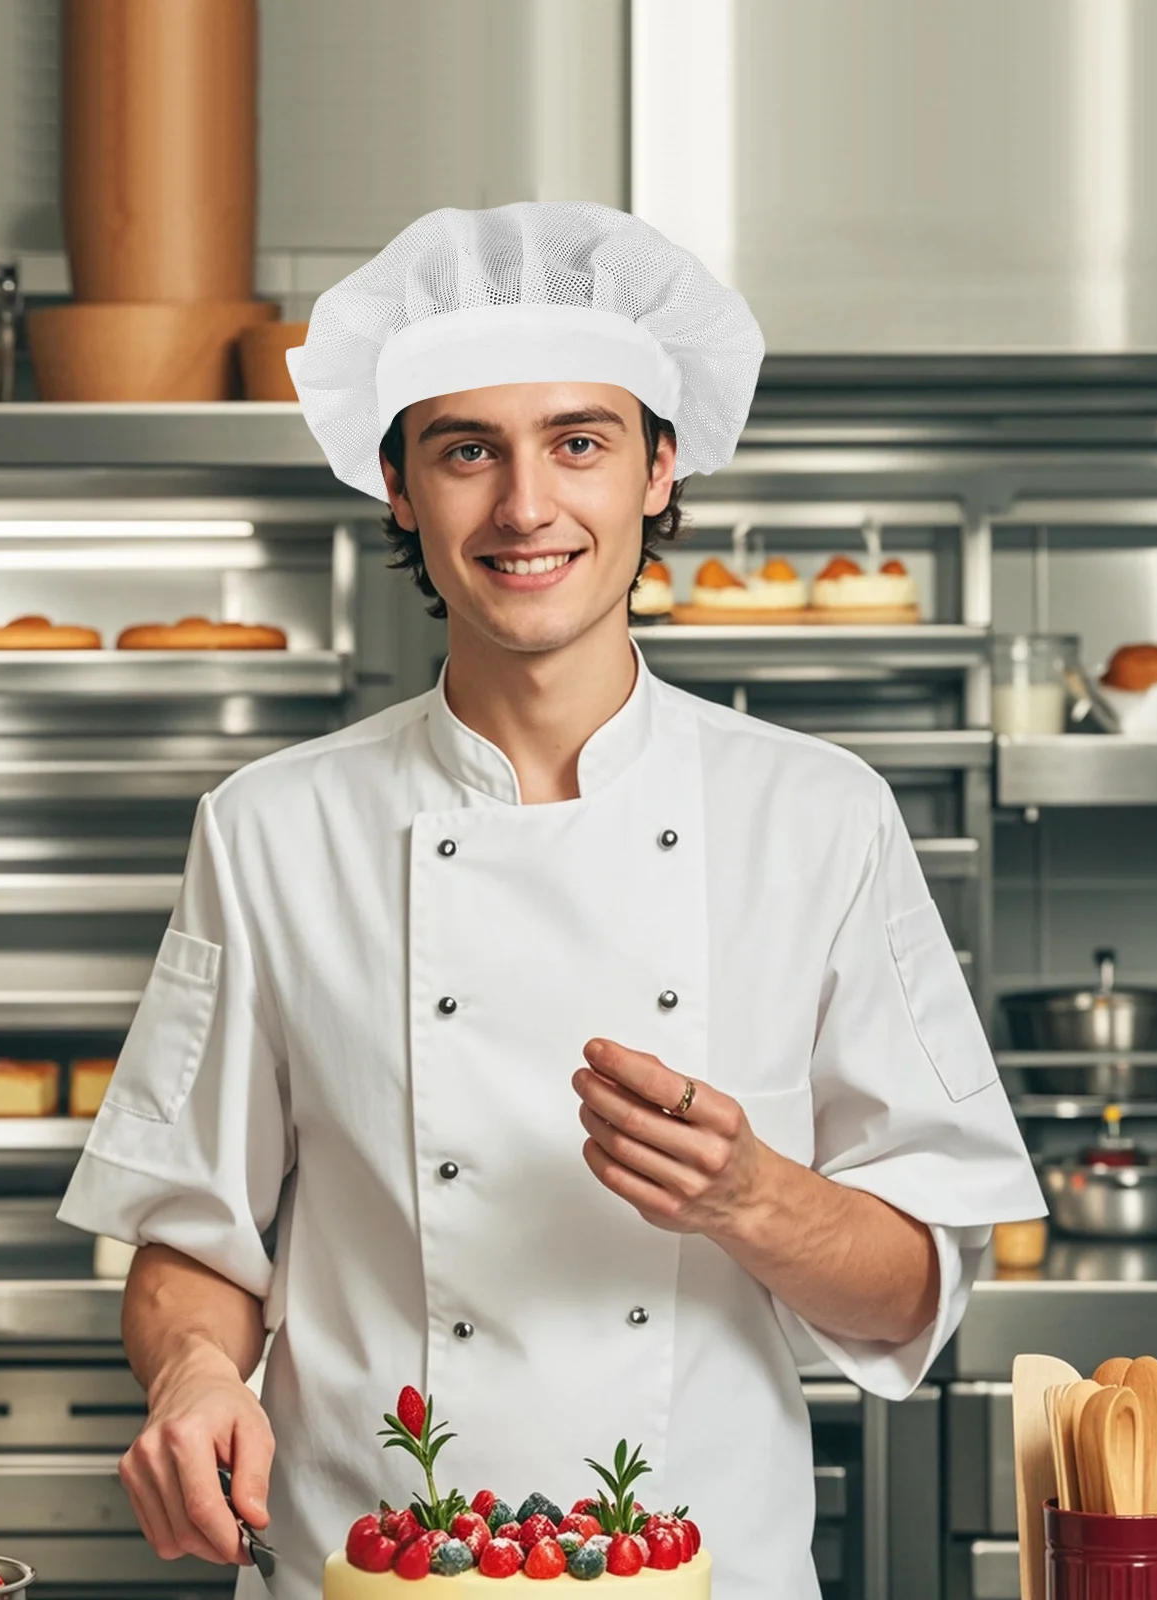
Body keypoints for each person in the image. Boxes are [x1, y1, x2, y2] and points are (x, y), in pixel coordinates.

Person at [58, 202, 1044, 1600]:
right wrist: (197, 1375)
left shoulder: (818, 818)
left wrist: (754, 1196)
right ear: (399, 488)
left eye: (579, 441)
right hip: (365, 1569)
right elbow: (187, 1235)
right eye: (469, 450)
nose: (526, 507)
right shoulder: (273, 828)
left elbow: (917, 1289)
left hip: (707, 1578)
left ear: (661, 465)